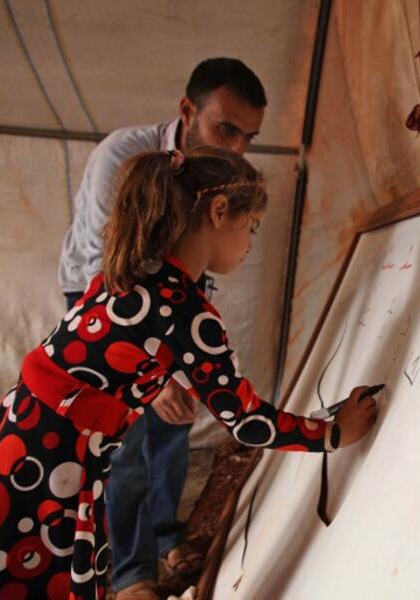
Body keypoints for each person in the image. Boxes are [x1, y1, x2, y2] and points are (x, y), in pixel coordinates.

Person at [0, 146, 380, 600]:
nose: (250, 244)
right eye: (250, 227)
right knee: (32, 576)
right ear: (217, 211)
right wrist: (332, 434)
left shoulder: (136, 274)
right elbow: (246, 420)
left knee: (21, 567)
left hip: (27, 437)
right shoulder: (183, 309)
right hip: (52, 459)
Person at [56, 57, 267, 596]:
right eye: (226, 129)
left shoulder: (222, 173)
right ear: (186, 110)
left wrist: (185, 366)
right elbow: (115, 273)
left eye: (249, 136)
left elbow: (193, 266)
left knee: (176, 419)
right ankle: (131, 573)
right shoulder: (123, 158)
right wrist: (152, 378)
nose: (237, 148)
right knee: (125, 431)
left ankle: (165, 533)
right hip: (102, 296)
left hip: (168, 303)